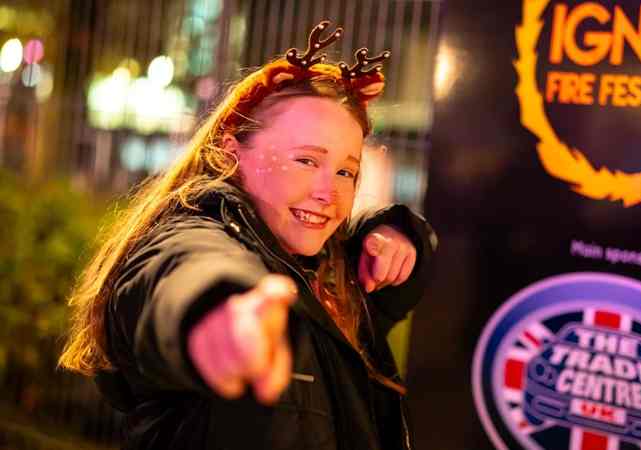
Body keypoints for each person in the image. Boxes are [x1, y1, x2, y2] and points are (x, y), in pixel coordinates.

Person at [58, 21, 436, 450]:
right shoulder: (192, 229)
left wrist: (398, 233)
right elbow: (180, 265)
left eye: (346, 171)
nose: (328, 192)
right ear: (231, 153)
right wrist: (215, 311)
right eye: (306, 161)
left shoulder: (331, 273)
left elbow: (412, 270)